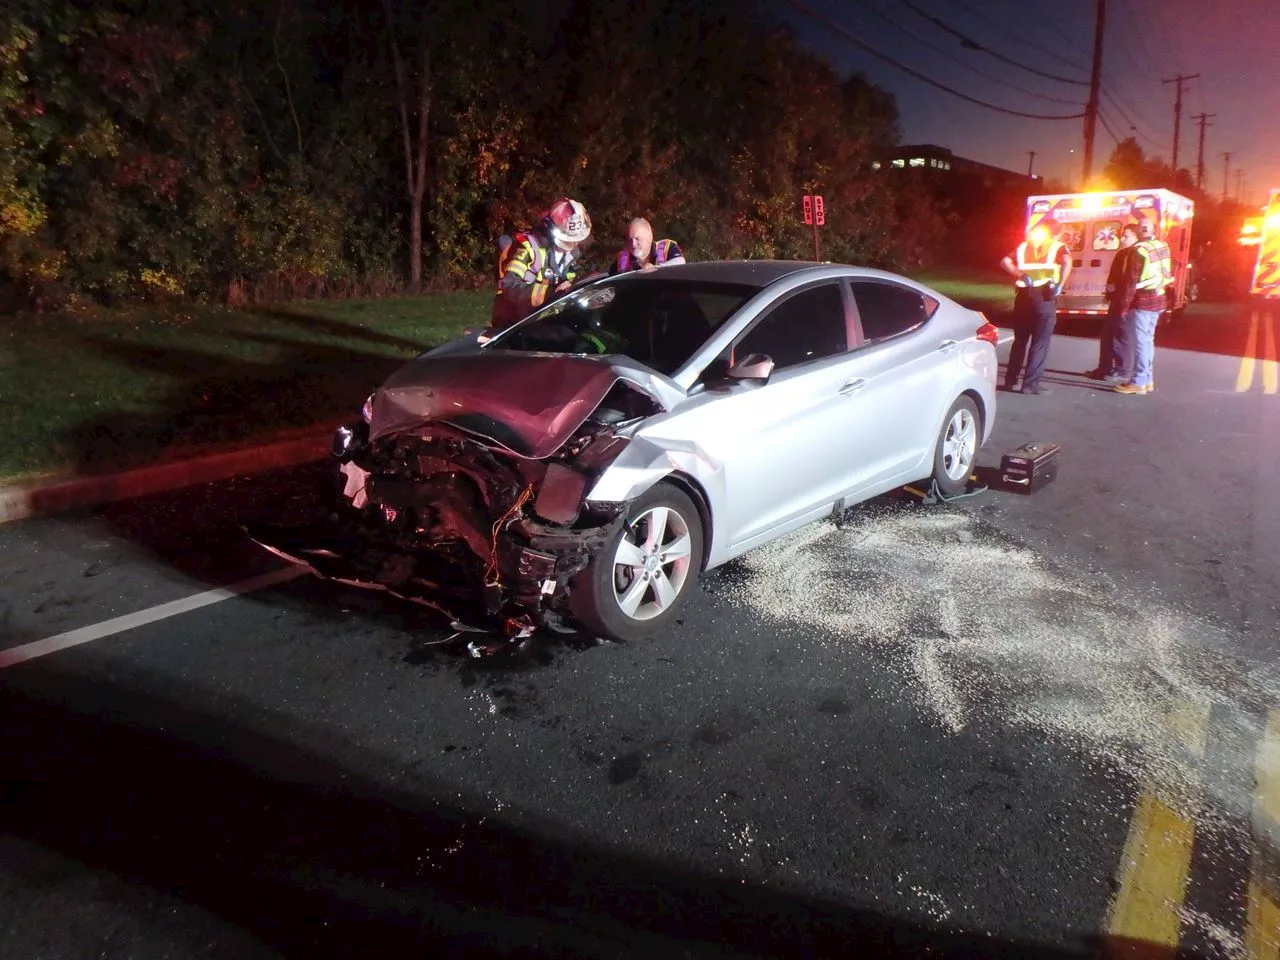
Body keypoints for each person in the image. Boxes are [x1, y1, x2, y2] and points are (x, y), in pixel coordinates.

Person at [490, 197, 592, 331]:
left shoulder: (569, 255)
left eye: (576, 239)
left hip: (543, 322)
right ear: (549, 229)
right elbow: (509, 286)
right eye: (567, 240)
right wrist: (551, 293)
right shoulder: (527, 248)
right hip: (513, 325)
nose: (572, 245)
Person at [999, 218, 1073, 395]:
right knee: (1040, 342)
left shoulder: (1024, 246)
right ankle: (1030, 384)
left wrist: (1021, 275)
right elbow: (1067, 262)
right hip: (1045, 297)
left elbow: (1004, 262)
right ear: (1056, 232)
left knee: (1020, 341)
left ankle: (1010, 381)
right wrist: (1060, 284)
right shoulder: (1057, 246)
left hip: (1024, 296)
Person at [1114, 219, 1172, 395]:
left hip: (1141, 302)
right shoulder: (1162, 246)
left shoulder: (1138, 251)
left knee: (1140, 343)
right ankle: (1147, 379)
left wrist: (1123, 307)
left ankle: (1139, 382)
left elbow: (1131, 282)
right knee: (1147, 341)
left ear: (1139, 231)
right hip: (1158, 299)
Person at [1087, 222, 1140, 383]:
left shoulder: (1138, 253)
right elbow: (1114, 275)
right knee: (1108, 335)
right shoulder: (1122, 253)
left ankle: (1122, 370)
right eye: (1122, 235)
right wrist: (1109, 291)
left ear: (1136, 237)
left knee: (1122, 336)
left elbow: (1132, 281)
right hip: (1116, 299)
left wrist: (1125, 301)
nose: (1122, 239)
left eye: (1126, 236)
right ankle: (1104, 367)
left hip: (1128, 302)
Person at [612, 218, 686, 274]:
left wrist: (656, 268)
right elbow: (609, 283)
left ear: (650, 237)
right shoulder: (622, 259)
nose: (633, 244)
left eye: (637, 239)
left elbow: (680, 262)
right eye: (630, 239)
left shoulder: (667, 247)